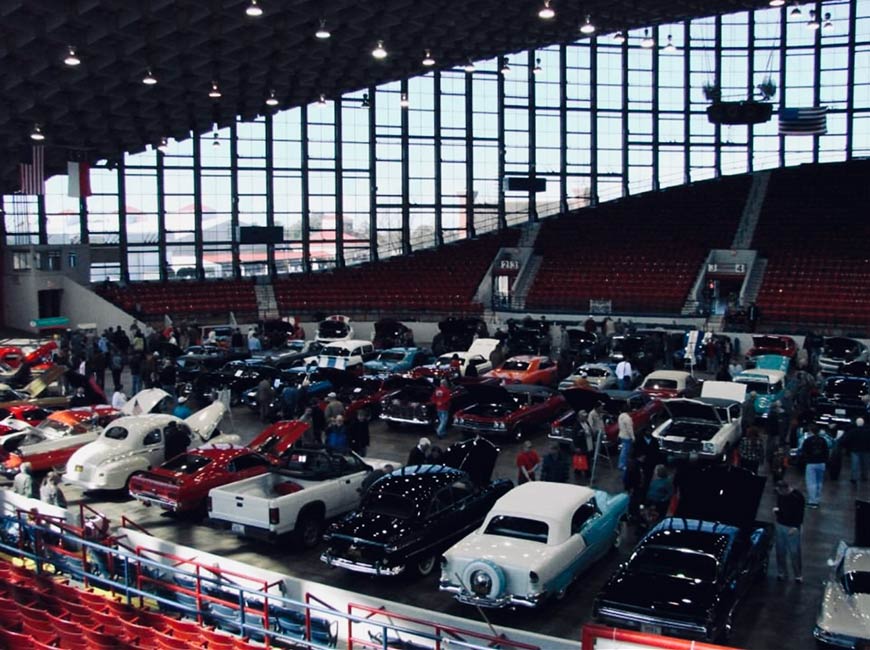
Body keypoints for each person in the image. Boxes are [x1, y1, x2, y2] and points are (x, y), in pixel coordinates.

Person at [773, 480, 804, 582]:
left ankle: (798, 575)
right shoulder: (781, 495)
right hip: (780, 524)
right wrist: (777, 512)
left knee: (794, 552)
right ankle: (781, 572)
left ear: (785, 489)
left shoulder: (797, 497)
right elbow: (780, 507)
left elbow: (800, 513)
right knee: (780, 551)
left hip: (792, 528)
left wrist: (795, 527)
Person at [800, 423, 829, 507]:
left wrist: (805, 460)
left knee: (811, 482)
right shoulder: (823, 440)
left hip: (811, 464)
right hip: (821, 463)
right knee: (819, 482)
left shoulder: (807, 440)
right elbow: (826, 452)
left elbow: (804, 452)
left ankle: (812, 501)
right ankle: (817, 499)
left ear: (811, 431)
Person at [839, 417, 870, 484]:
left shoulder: (852, 431)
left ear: (856, 423)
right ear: (863, 423)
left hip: (855, 450)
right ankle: (864, 477)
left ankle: (854, 478)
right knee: (865, 465)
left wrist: (846, 447)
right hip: (866, 450)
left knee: (855, 465)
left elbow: (845, 440)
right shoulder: (868, 431)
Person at [617, 406, 634, 474]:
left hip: (621, 435)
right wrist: (633, 437)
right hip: (627, 436)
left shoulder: (620, 416)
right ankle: (622, 465)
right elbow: (629, 429)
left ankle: (623, 463)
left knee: (623, 450)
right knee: (625, 451)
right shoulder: (628, 418)